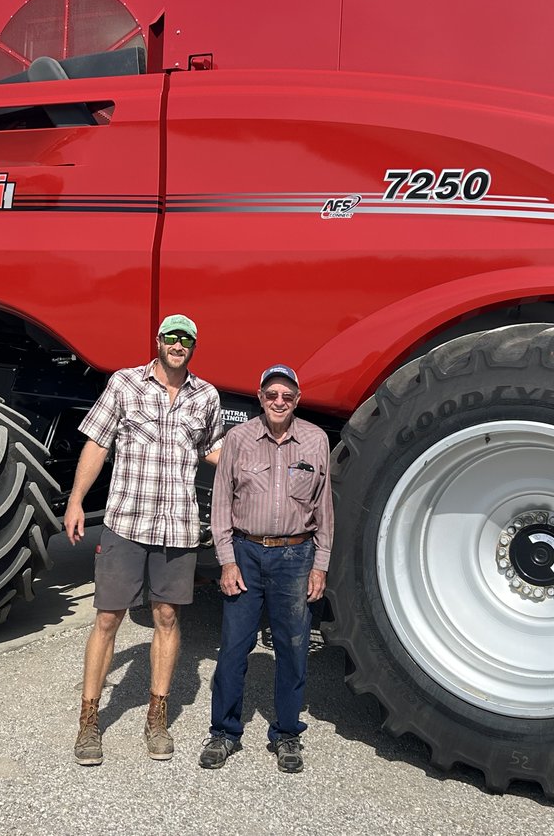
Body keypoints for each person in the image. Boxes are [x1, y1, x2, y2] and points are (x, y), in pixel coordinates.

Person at [65, 313, 223, 766]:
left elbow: (213, 449)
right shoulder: (124, 384)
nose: (178, 344)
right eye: (171, 337)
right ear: (158, 341)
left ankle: (157, 716)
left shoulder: (205, 396)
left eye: (186, 339)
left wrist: (259, 453)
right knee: (109, 619)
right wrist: (76, 500)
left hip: (176, 525)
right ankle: (89, 720)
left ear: (193, 345)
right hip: (126, 522)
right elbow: (97, 443)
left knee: (168, 617)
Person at [199, 364, 333, 774]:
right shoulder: (238, 439)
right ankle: (224, 733)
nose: (279, 402)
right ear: (260, 397)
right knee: (234, 648)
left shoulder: (316, 439)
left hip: (296, 557)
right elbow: (221, 503)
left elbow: (324, 508)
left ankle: (287, 734)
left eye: (287, 396)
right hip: (245, 554)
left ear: (297, 400)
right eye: (272, 394)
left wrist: (320, 566)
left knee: (292, 650)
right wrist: (225, 560)